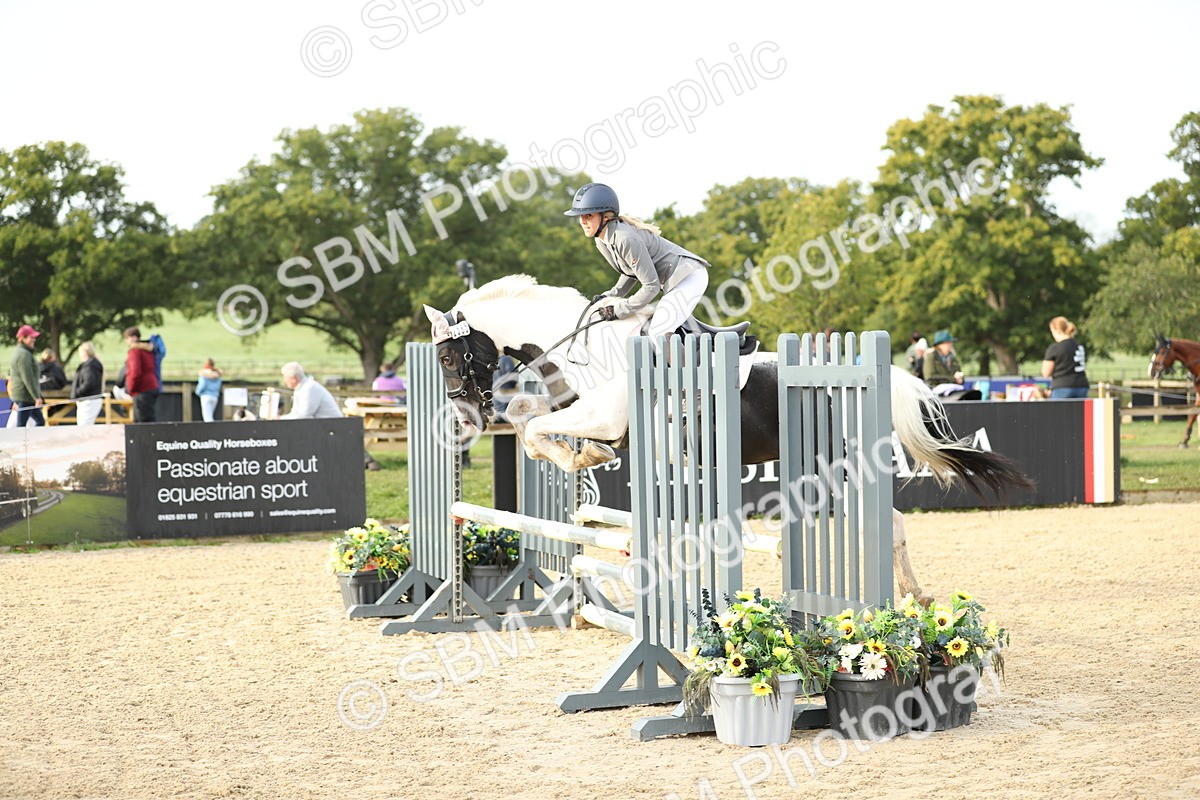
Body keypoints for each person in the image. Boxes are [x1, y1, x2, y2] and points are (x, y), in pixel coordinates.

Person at [564, 182, 709, 344]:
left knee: (658, 332)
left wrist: (619, 310)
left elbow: (651, 286)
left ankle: (689, 369)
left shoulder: (624, 238)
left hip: (689, 277)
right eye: (581, 216)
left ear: (606, 216)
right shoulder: (602, 240)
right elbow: (631, 272)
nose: (582, 221)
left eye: (588, 215)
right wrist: (612, 295)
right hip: (675, 281)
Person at [279, 362, 381, 471]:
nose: (285, 381)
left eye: (285, 378)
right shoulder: (303, 388)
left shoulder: (309, 388)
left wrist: (280, 419)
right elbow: (298, 413)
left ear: (293, 378)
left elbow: (304, 414)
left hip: (331, 425)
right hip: (322, 424)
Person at [1042, 316, 1090, 399]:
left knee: (1059, 412)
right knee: (1079, 412)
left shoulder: (1055, 348)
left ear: (1058, 331)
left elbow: (1046, 373)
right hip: (1082, 385)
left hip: (1062, 386)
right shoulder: (1079, 346)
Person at [7, 325, 45, 427]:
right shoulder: (24, 355)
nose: (34, 339)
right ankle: (26, 442)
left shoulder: (22, 352)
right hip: (25, 396)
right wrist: (36, 397)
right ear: (23, 338)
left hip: (25, 396)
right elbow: (27, 378)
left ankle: (31, 441)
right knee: (22, 425)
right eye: (31, 337)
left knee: (38, 422)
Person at [124, 326, 160, 423]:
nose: (126, 341)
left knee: (141, 423)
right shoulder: (148, 350)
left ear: (134, 338)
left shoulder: (134, 351)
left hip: (141, 389)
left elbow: (135, 372)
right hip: (153, 385)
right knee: (150, 420)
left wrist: (130, 388)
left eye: (127, 338)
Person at [71, 342, 104, 426]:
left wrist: (77, 392)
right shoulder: (92, 365)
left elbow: (89, 383)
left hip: (88, 400)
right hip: (90, 400)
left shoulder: (89, 366)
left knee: (84, 426)